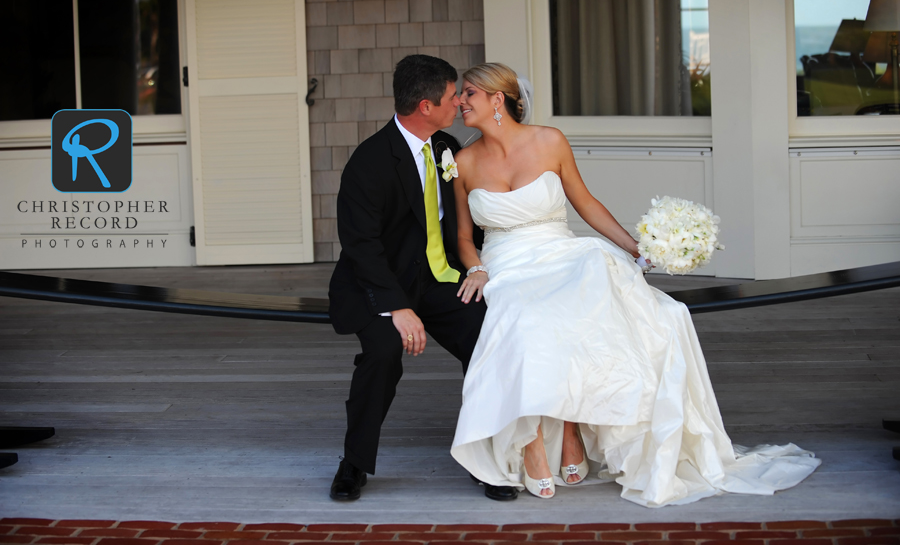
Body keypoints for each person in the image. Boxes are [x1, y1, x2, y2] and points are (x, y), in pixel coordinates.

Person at [448, 62, 821, 506]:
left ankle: (569, 430)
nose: (459, 102)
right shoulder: (463, 161)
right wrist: (476, 269)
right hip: (506, 261)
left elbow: (585, 203)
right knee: (527, 320)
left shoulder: (549, 141)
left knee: (597, 287)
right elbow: (464, 237)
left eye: (468, 93)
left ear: (497, 98)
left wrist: (635, 247)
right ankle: (532, 441)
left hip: (560, 249)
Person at [327, 55, 518, 503]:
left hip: (439, 278)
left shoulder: (447, 147)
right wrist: (397, 306)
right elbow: (361, 245)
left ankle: (484, 459)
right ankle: (353, 462)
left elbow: (471, 220)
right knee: (383, 352)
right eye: (454, 96)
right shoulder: (369, 162)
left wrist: (486, 264)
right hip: (381, 284)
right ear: (427, 106)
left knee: (489, 338)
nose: (461, 102)